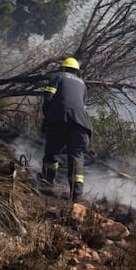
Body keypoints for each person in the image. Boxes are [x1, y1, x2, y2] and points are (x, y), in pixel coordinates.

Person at [41, 57, 93, 201]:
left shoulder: (57, 77)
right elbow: (82, 107)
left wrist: (47, 117)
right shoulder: (83, 84)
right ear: (77, 71)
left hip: (59, 120)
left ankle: (47, 182)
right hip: (81, 125)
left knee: (52, 152)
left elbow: (48, 98)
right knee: (76, 156)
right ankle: (76, 194)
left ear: (63, 68)